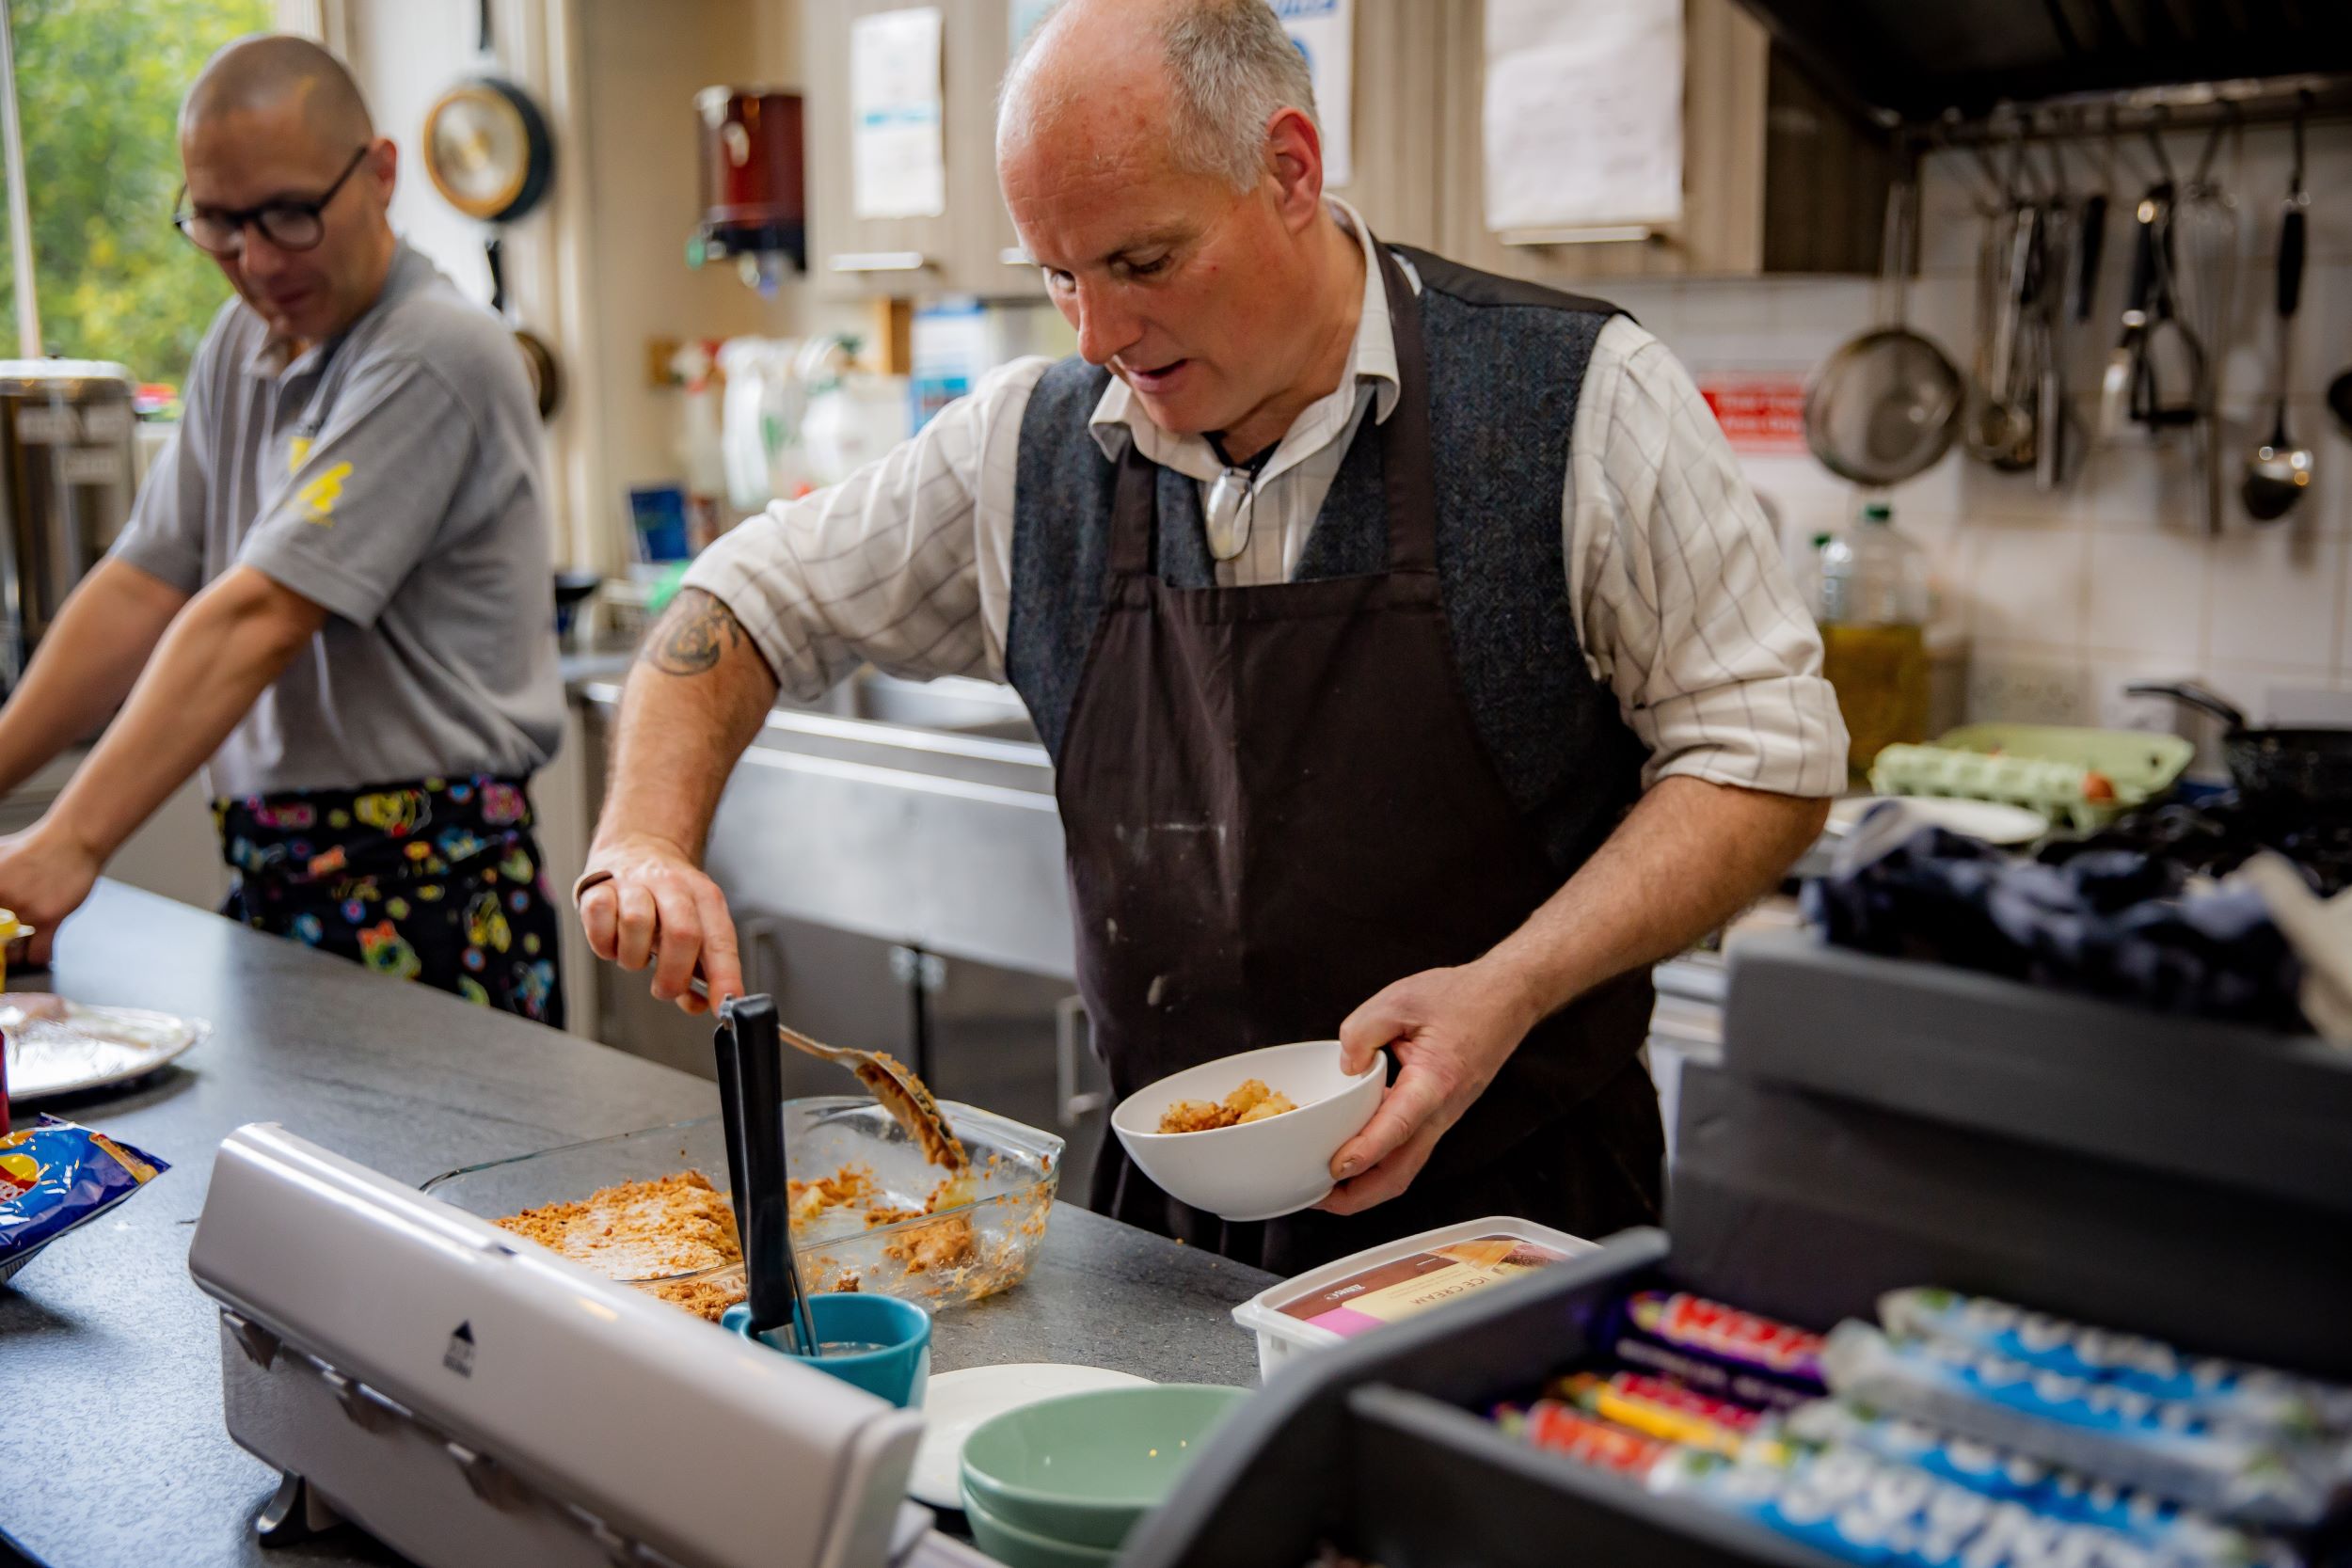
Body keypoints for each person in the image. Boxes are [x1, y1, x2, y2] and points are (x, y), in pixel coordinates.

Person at [578, 0, 1845, 1269]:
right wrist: (644, 833)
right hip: (1163, 1238)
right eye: (1058, 274)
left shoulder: (1575, 400)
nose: (1096, 333)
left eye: (1141, 261)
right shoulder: (1035, 445)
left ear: (1290, 170)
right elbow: (744, 597)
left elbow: (1764, 755)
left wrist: (1506, 985)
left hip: (1512, 1222)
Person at [0, 36, 565, 1024]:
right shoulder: (245, 342)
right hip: (277, 876)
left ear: (381, 174)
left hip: (432, 889)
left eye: (290, 215)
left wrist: (73, 839)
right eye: (218, 224)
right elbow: (143, 579)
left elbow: (260, 613)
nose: (256, 261)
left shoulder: (434, 348)